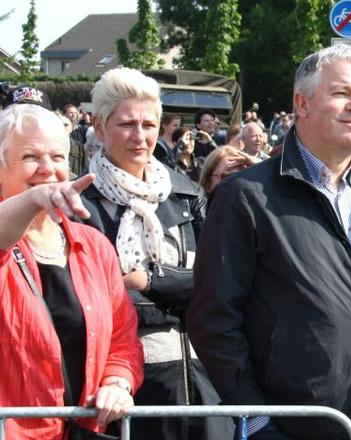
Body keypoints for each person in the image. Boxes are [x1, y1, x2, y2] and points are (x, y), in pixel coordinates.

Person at [189, 45, 351, 440]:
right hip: (290, 429)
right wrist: (258, 418)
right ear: (301, 103)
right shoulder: (247, 197)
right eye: (341, 94)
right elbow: (213, 318)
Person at [77, 67, 231, 439]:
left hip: (203, 380)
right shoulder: (78, 203)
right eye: (127, 124)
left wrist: (144, 280)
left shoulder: (186, 194)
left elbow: (215, 286)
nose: (140, 136)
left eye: (149, 124)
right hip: (118, 388)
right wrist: (176, 293)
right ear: (99, 127)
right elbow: (89, 300)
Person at [0, 103, 144, 439]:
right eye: (30, 157)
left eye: (58, 157)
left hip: (84, 430)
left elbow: (123, 340)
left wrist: (118, 382)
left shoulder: (93, 245)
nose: (47, 169)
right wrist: (34, 198)